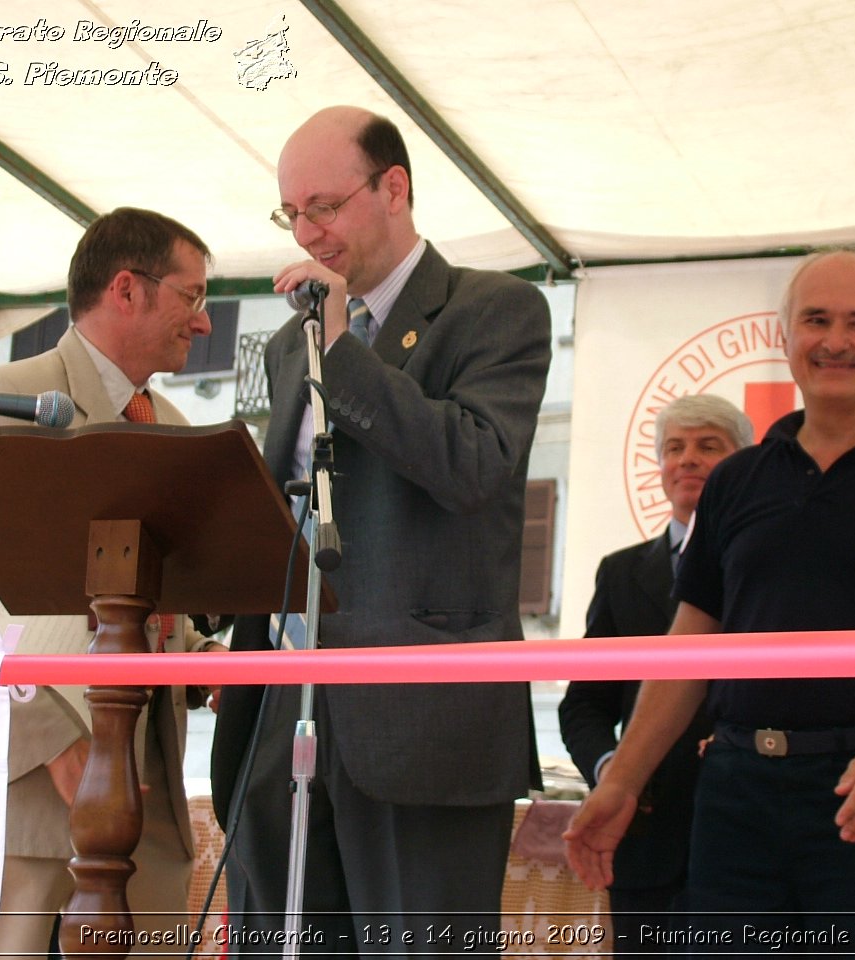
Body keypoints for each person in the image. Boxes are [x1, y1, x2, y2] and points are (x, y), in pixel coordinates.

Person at [564, 249, 855, 952]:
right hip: (736, 798)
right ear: (786, 337)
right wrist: (621, 781)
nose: (835, 341)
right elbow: (689, 651)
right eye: (816, 320)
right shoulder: (737, 481)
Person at [210, 106, 551, 954]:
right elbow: (284, 504)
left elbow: (472, 465)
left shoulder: (494, 309)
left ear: (394, 188)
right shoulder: (292, 346)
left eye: (324, 205)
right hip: (278, 706)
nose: (306, 231)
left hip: (423, 724)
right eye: (291, 213)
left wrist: (342, 347)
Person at [0, 207, 222, 954]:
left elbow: (151, 607)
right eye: (193, 297)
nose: (204, 323)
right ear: (126, 289)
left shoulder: (176, 427)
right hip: (34, 811)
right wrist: (51, 742)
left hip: (152, 823)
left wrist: (204, 657)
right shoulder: (6, 398)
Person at [559, 394, 751, 953]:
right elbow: (586, 705)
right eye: (674, 448)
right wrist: (612, 767)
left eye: (708, 446)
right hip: (647, 837)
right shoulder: (621, 574)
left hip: (746, 831)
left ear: (744, 465)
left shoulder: (768, 569)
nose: (687, 459)